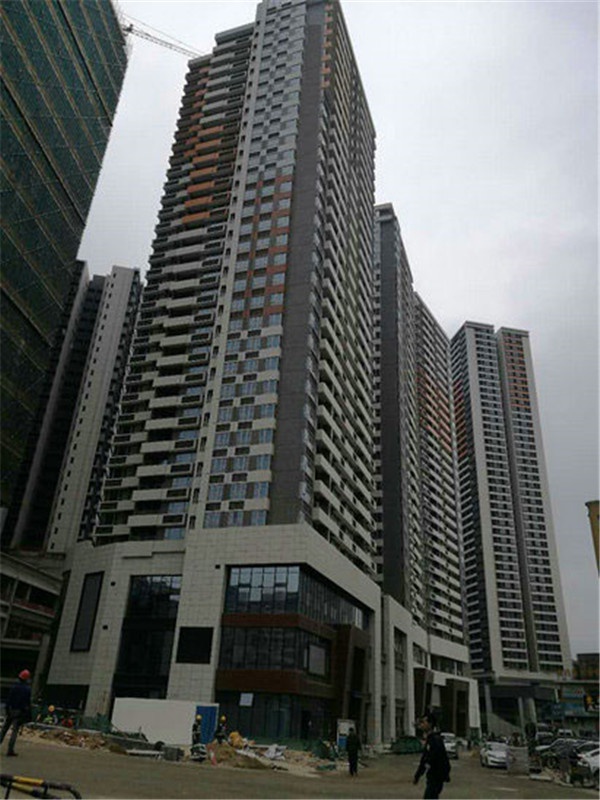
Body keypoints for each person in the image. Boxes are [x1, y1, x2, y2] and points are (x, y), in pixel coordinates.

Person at [413, 712, 451, 799]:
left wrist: (443, 775)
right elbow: (425, 759)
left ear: (430, 724)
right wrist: (418, 774)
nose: (421, 725)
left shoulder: (435, 740)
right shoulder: (430, 739)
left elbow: (435, 759)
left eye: (424, 722)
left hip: (436, 777)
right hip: (432, 777)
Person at [0, 669, 32, 756]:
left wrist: (7, 710)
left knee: (4, 729)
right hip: (19, 712)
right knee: (14, 731)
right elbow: (27, 703)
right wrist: (27, 714)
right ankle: (10, 750)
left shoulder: (14, 687)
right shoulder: (27, 690)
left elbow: (9, 700)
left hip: (11, 710)